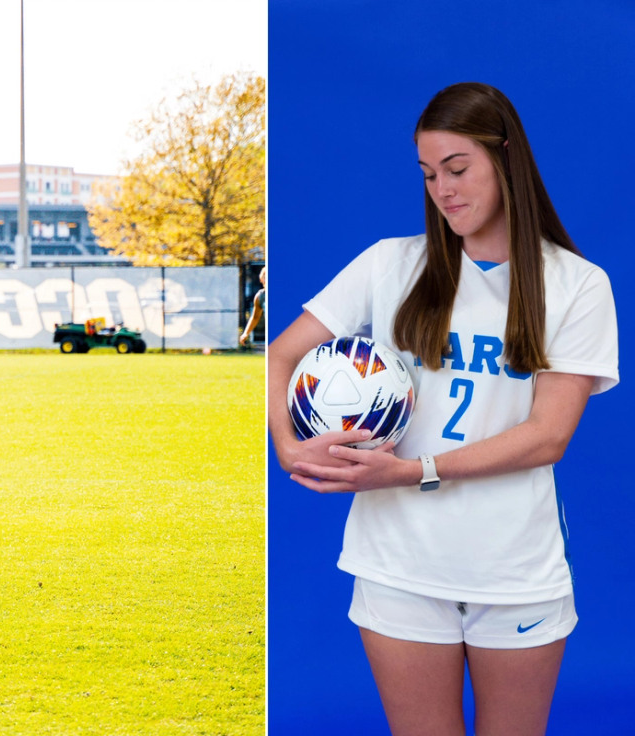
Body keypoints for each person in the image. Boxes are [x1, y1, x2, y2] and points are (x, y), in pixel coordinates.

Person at [267, 82, 618, 735]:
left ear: (505, 156)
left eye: (457, 169)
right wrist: (289, 447)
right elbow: (279, 356)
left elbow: (547, 437)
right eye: (429, 175)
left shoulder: (576, 284)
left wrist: (409, 471)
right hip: (398, 562)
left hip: (514, 567)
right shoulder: (389, 265)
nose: (443, 190)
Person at [239, 266, 264, 346]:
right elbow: (255, 317)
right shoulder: (260, 296)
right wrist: (246, 333)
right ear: (261, 279)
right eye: (266, 277)